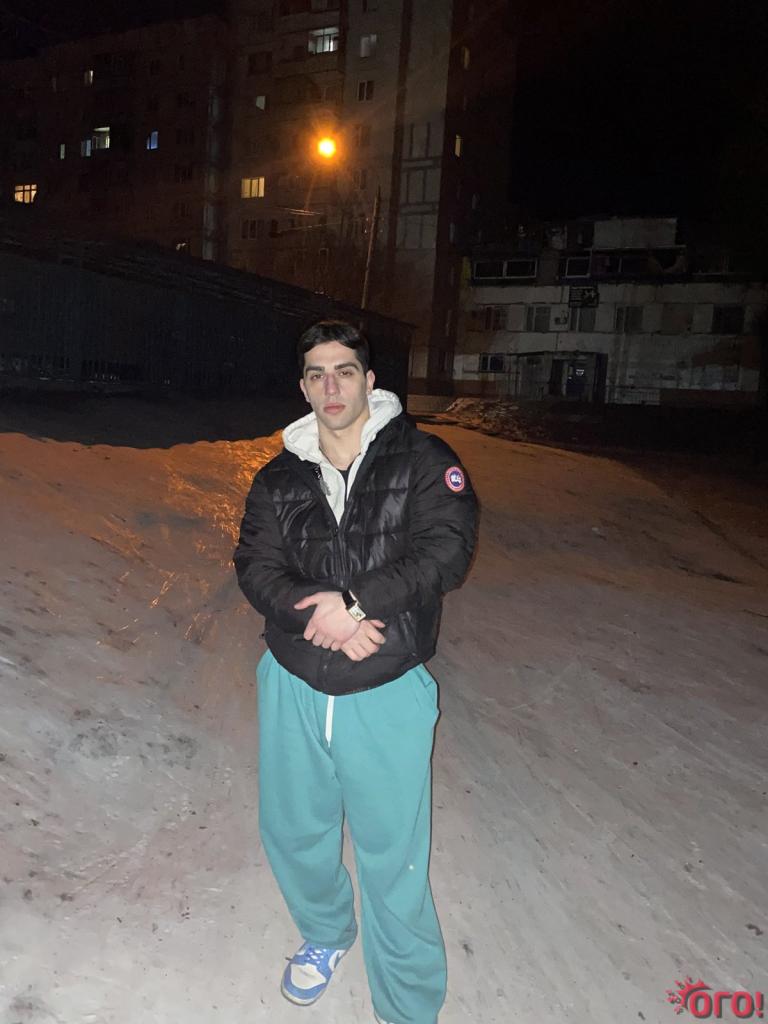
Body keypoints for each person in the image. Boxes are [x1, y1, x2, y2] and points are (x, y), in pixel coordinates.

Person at [234, 319, 477, 1024]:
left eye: (344, 371)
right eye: (316, 374)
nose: (330, 386)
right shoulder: (279, 476)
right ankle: (325, 932)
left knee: (393, 855)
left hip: (386, 686)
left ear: (370, 380)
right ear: (303, 386)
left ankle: (407, 1006)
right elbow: (256, 567)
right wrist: (321, 616)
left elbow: (446, 550)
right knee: (293, 830)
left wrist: (358, 603)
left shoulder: (423, 459)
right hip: (293, 680)